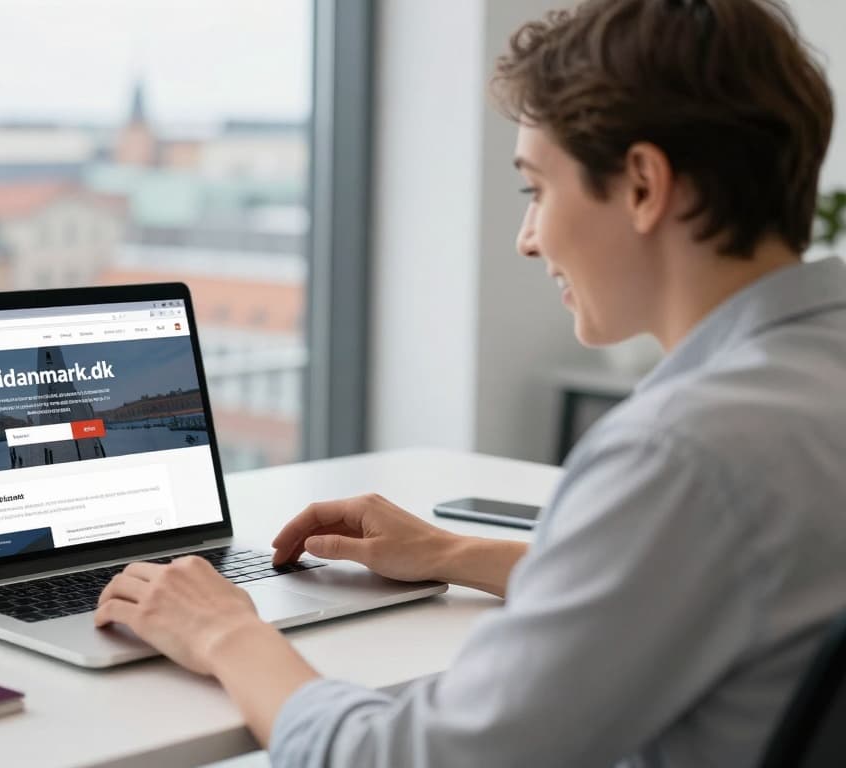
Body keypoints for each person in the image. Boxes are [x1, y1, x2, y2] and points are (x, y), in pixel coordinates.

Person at [94, 0, 846, 764]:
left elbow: (410, 758)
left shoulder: (679, 454)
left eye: (536, 190)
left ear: (645, 186)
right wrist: (451, 553)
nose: (527, 239)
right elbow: (690, 587)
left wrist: (225, 632)